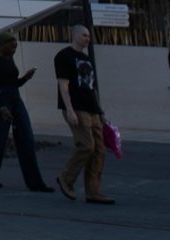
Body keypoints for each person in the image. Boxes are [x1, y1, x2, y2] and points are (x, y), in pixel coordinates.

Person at [0, 34, 51, 191]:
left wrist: (25, 78)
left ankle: (35, 182)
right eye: (12, 46)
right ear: (2, 45)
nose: (14, 49)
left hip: (14, 98)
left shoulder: (9, 59)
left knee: (26, 137)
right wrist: (2, 107)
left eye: (16, 47)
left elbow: (13, 83)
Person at [53, 23, 114, 204]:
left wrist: (100, 111)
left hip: (92, 109)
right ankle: (66, 178)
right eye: (85, 35)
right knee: (86, 145)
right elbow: (63, 85)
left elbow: (91, 87)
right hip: (77, 108)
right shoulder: (64, 56)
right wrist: (69, 109)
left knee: (99, 150)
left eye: (89, 36)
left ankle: (93, 191)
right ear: (75, 35)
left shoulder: (86, 59)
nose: (88, 39)